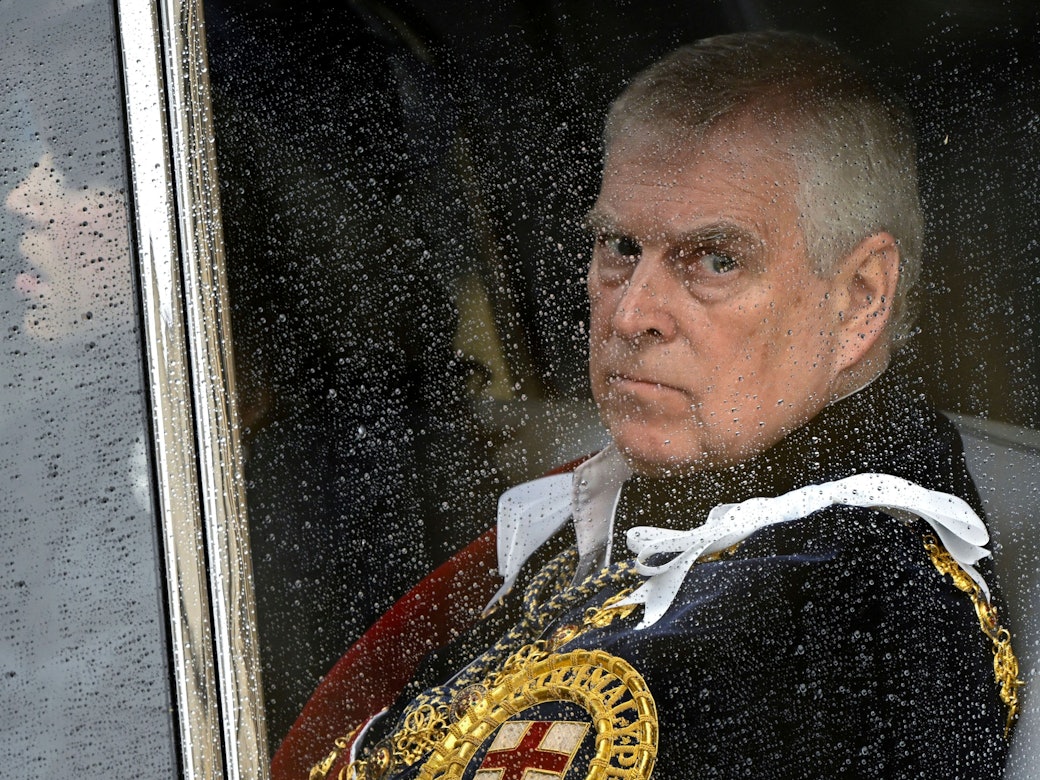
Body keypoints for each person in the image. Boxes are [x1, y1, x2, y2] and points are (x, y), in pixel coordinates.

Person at [276, 31, 1019, 779]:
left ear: (861, 297)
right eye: (621, 247)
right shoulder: (641, 512)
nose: (631, 315)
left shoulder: (861, 620)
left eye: (716, 260)